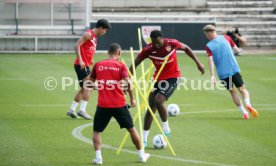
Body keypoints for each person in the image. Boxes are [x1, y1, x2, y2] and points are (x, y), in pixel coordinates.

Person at [129, 30, 205, 147]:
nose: (156, 45)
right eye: (154, 43)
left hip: (173, 78)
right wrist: (128, 79)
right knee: (150, 109)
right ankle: (144, 139)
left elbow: (186, 48)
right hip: (159, 79)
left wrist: (198, 63)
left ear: (162, 39)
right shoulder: (148, 50)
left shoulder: (171, 43)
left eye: (158, 42)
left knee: (159, 100)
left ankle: (166, 127)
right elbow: (135, 63)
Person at [89, 43, 150, 164]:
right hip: (119, 104)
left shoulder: (98, 65)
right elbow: (129, 83)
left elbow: (89, 83)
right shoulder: (121, 66)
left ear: (108, 52)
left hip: (103, 105)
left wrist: (100, 87)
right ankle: (142, 156)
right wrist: (132, 99)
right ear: (119, 53)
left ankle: (98, 158)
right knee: (132, 129)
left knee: (96, 131)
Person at [202, 24, 259, 120]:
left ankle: (244, 113)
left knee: (233, 92)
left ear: (210, 33)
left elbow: (210, 60)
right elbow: (237, 50)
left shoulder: (209, 46)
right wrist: (241, 45)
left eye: (206, 35)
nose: (206, 37)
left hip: (222, 73)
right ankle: (248, 104)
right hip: (233, 69)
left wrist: (212, 75)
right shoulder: (226, 38)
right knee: (242, 89)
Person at [67, 19, 111, 120]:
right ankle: (82, 110)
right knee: (90, 86)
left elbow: (87, 50)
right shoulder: (89, 35)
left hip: (84, 65)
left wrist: (89, 60)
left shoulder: (94, 37)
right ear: (100, 28)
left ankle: (72, 110)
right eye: (105, 30)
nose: (104, 33)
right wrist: (81, 60)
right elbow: (77, 45)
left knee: (84, 88)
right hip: (81, 65)